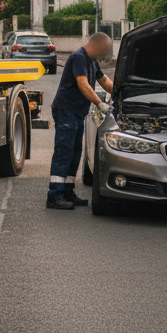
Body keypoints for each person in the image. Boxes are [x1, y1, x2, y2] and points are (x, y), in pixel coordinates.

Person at [47, 32, 115, 210]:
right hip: (66, 110)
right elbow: (83, 84)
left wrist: (119, 91)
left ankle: (68, 191)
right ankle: (55, 195)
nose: (106, 54)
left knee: (75, 152)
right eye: (105, 50)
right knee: (64, 151)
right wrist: (100, 103)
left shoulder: (92, 60)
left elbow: (104, 80)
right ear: (98, 45)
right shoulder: (78, 57)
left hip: (77, 112)